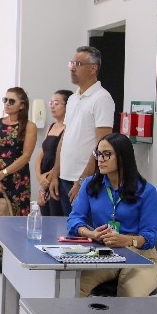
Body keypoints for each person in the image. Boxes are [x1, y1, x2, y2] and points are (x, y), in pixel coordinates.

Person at [67, 133, 157, 297]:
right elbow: (74, 219)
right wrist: (91, 234)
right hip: (105, 252)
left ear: (123, 157)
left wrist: (127, 240)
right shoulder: (90, 185)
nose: (100, 159)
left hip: (141, 254)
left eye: (107, 154)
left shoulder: (147, 191)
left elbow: (150, 236)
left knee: (129, 294)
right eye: (98, 154)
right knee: (73, 287)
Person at [49, 46, 114, 217]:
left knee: (83, 230)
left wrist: (82, 181)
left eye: (78, 64)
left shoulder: (102, 98)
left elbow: (103, 145)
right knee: (65, 229)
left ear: (93, 68)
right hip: (64, 178)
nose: (72, 68)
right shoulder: (72, 98)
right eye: (71, 63)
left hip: (85, 181)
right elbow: (65, 138)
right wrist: (55, 174)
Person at [0, 87, 37, 273]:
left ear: (22, 105)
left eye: (11, 101)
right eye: (5, 99)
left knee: (16, 219)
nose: (7, 103)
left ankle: (14, 262)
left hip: (17, 179)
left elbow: (26, 156)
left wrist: (3, 173)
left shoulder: (29, 126)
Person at [35, 90, 73, 216]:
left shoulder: (69, 128)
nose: (52, 106)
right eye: (50, 103)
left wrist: (47, 180)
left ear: (67, 106)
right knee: (45, 218)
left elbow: (62, 157)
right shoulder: (51, 126)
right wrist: (40, 177)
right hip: (44, 180)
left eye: (56, 103)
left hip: (57, 180)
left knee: (56, 217)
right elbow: (40, 155)